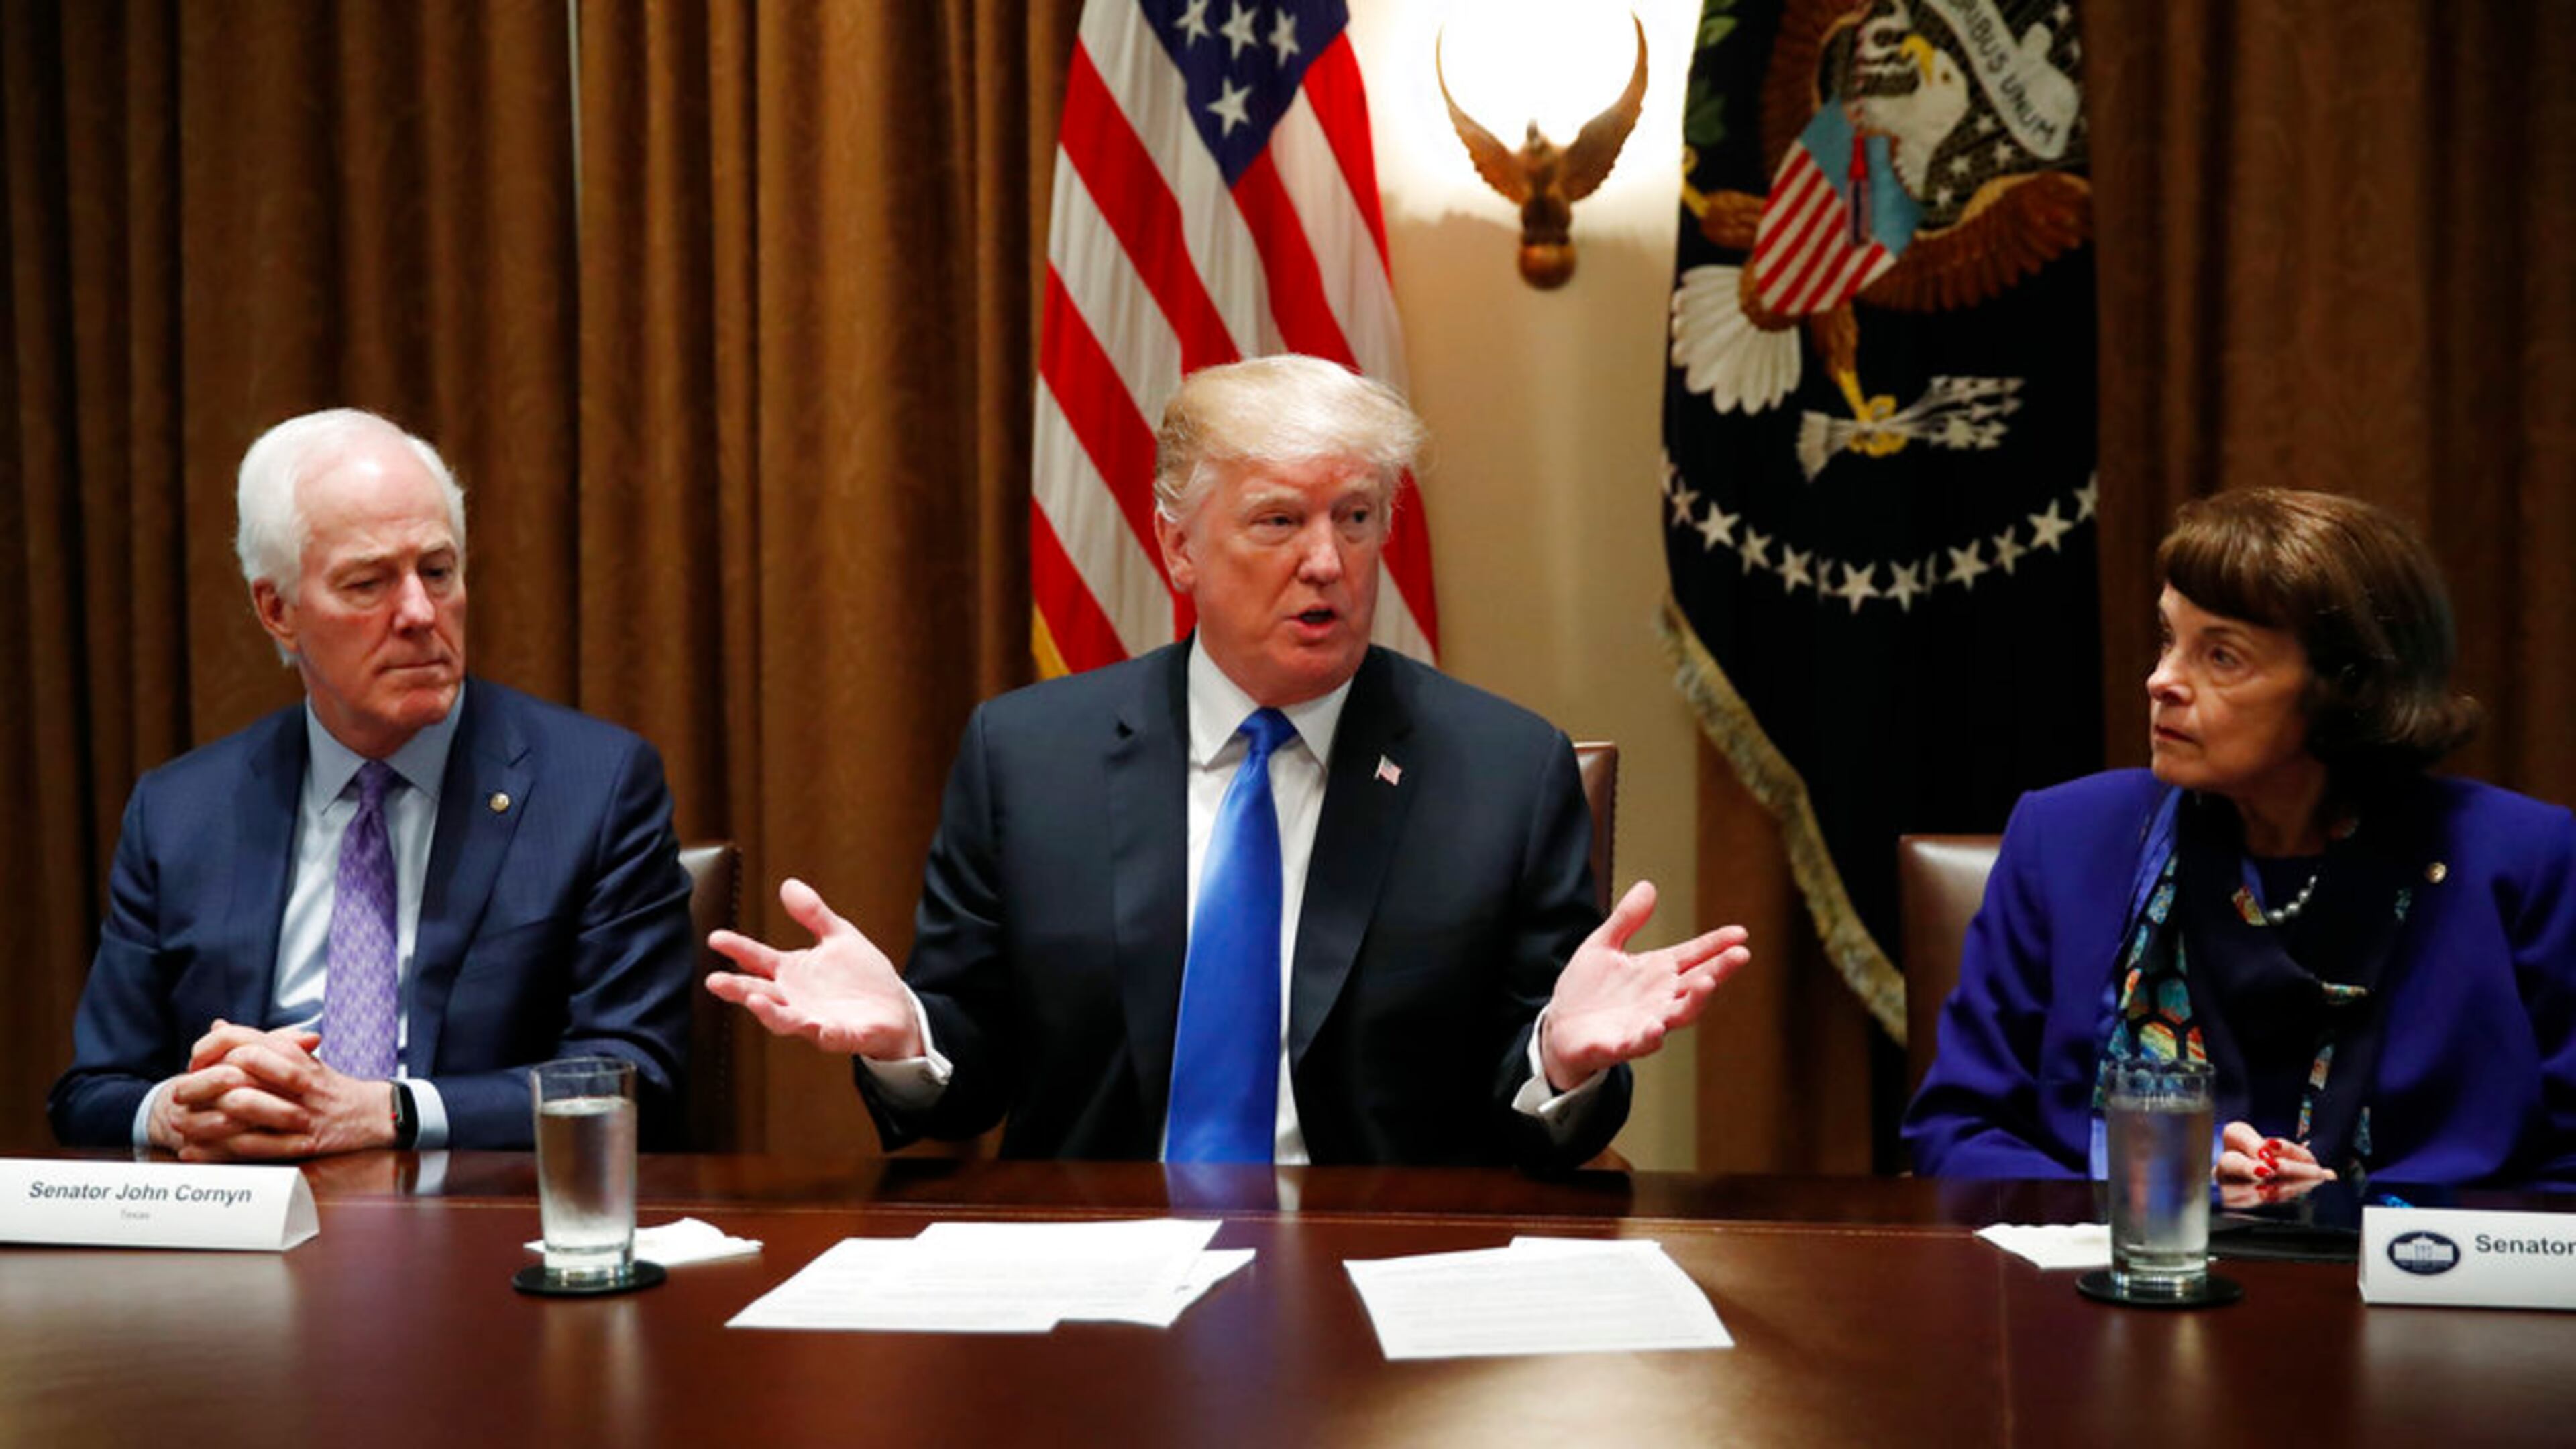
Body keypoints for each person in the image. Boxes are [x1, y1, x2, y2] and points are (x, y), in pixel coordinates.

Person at [708, 354, 1750, 1169]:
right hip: (1094, 1274)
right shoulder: (1028, 758)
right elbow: (968, 1078)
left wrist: (1557, 1064)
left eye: (1356, 518)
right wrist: (907, 1040)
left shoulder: (1502, 771)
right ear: (1179, 548)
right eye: (1278, 521)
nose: (1327, 563)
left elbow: (1534, 1095)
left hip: (1385, 1270)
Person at [48, 409, 696, 1159]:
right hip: (245, 1238)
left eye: (438, 571)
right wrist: (179, 1109)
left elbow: (633, 1077)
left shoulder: (595, 788)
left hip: (477, 1237)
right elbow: (92, 1091)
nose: (420, 613)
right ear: (278, 611)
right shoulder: (180, 812)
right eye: (368, 584)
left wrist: (388, 1112)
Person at [1907, 488, 2576, 1190]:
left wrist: (2357, 1225)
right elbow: (1960, 1129)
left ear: (2343, 689)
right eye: (2169, 639)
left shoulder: (2520, 857)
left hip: (2422, 1286)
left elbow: (2564, 1163)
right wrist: (2152, 1210)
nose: (2161, 681)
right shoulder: (2065, 837)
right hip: (2116, 1281)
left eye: (2222, 656)